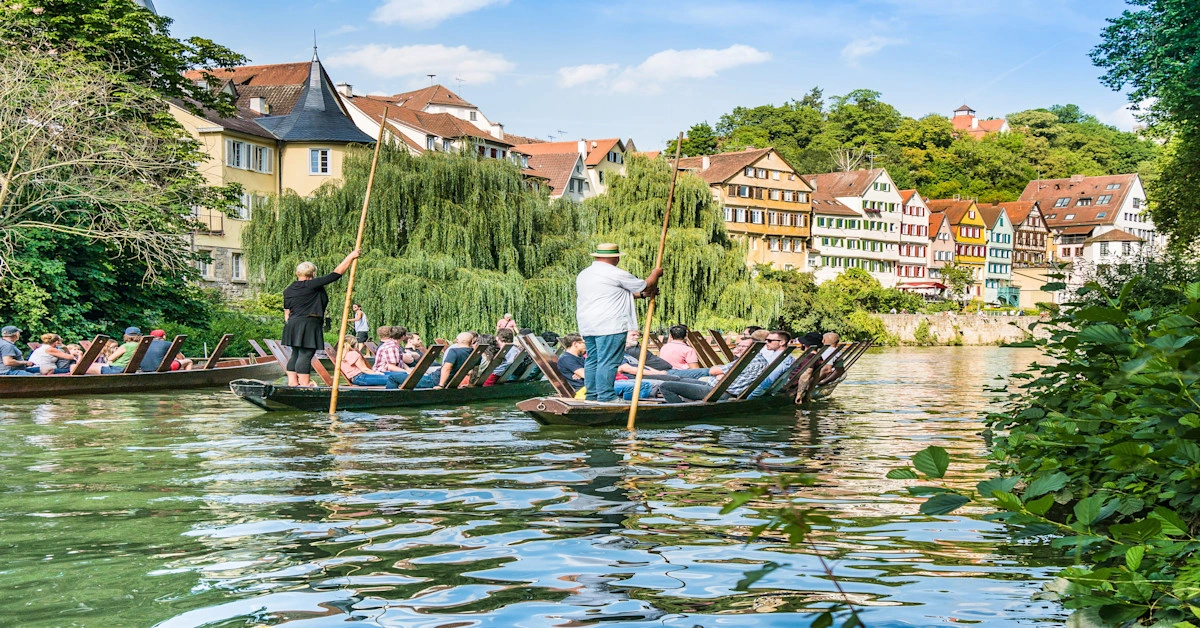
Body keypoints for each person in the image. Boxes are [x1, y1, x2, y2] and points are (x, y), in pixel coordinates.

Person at [575, 242, 661, 402]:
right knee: (609, 361)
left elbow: (615, 294)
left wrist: (643, 296)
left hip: (588, 325)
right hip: (610, 325)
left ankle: (592, 395)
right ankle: (606, 396)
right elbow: (645, 285)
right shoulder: (615, 273)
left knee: (593, 360)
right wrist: (655, 273)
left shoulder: (584, 274)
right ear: (615, 258)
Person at [282, 249, 360, 387]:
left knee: (295, 353)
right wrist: (351, 256)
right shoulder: (312, 284)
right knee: (306, 353)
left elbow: (286, 311)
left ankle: (292, 383)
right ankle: (305, 385)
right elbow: (336, 274)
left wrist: (292, 323)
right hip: (309, 322)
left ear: (297, 273)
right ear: (313, 274)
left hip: (293, 323)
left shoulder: (289, 289)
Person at [657, 336, 769, 403]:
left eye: (743, 347)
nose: (739, 349)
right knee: (679, 379)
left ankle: (681, 412)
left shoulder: (748, 361)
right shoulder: (759, 359)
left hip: (719, 392)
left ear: (752, 348)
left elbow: (713, 371)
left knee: (666, 386)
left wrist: (720, 375)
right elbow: (721, 374)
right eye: (739, 346)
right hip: (717, 386)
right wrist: (721, 375)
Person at [557, 333, 652, 400]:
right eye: (584, 343)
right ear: (575, 344)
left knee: (645, 384)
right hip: (588, 389)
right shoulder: (566, 359)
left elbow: (589, 372)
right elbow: (587, 375)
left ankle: (630, 404)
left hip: (598, 385)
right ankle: (628, 407)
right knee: (641, 386)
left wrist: (587, 372)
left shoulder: (580, 357)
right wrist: (587, 373)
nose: (587, 345)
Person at [339, 335, 407, 388]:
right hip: (360, 378)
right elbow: (364, 369)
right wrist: (376, 373)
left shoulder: (341, 355)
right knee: (394, 378)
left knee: (401, 374)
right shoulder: (354, 354)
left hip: (357, 378)